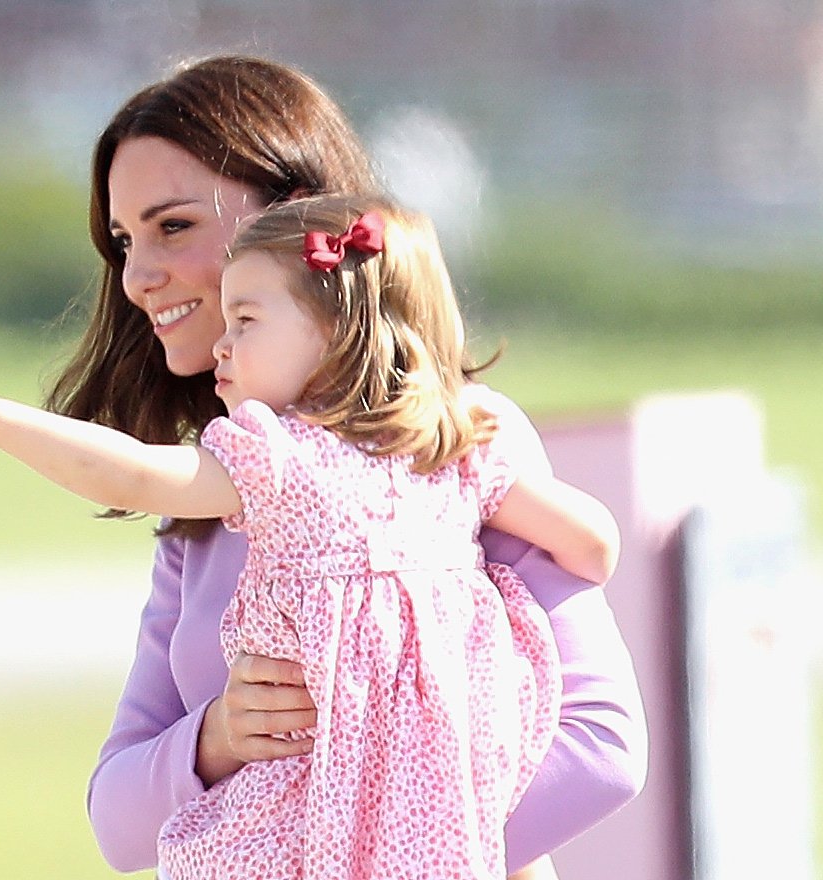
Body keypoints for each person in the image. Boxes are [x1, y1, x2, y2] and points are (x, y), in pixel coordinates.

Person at [0, 193, 620, 879]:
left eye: (245, 321)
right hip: (350, 799)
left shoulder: (435, 447)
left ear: (336, 334)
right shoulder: (307, 456)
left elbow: (590, 550)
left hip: (429, 805)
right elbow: (592, 544)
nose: (222, 345)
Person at [45, 55, 646, 877]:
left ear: (304, 226)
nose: (137, 276)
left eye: (173, 225)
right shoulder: (215, 486)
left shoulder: (450, 440)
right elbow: (116, 822)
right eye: (122, 240)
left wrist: (386, 851)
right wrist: (214, 739)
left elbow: (602, 744)